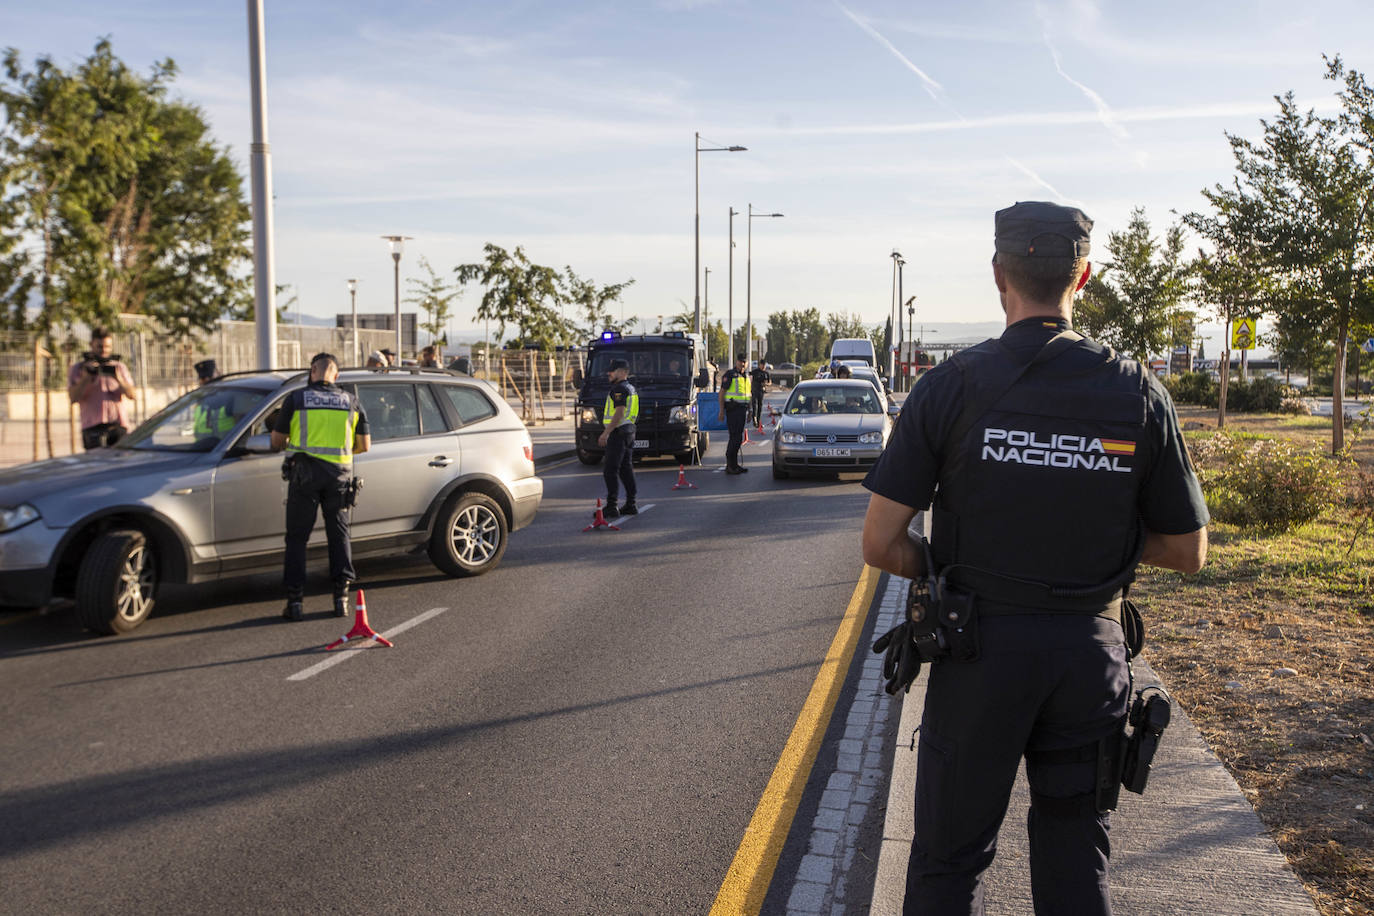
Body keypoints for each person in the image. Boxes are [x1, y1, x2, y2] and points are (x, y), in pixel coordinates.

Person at [860, 201, 1210, 915]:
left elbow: (880, 541)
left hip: (978, 651)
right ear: (1085, 274)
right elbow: (1187, 549)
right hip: (1089, 657)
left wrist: (946, 563)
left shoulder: (951, 386)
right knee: (1075, 851)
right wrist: (1093, 526)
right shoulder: (1139, 392)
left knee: (948, 865)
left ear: (999, 275)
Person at [271, 352, 371, 621]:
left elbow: (277, 440)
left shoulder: (296, 399)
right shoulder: (352, 402)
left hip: (304, 476)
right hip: (339, 477)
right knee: (339, 536)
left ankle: (295, 603)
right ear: (336, 374)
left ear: (313, 370)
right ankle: (341, 600)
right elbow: (364, 446)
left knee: (296, 539)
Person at [67, 328, 137, 450]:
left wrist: (118, 378)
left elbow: (132, 395)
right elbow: (73, 398)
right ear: (91, 345)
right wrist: (86, 377)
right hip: (92, 428)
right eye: (100, 346)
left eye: (107, 347)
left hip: (118, 426)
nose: (104, 350)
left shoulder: (119, 367)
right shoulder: (78, 369)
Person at [596, 358, 638, 518]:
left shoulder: (619, 389)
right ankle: (631, 504)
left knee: (610, 470)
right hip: (628, 432)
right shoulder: (631, 388)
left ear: (621, 372)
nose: (609, 373)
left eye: (612, 371)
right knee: (626, 469)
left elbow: (619, 412)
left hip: (618, 434)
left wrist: (606, 433)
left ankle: (612, 506)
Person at [716, 354, 751, 473]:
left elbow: (748, 395)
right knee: (734, 438)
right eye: (741, 361)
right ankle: (730, 465)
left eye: (744, 362)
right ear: (736, 362)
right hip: (733, 410)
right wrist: (721, 411)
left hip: (742, 410)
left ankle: (735, 465)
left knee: (738, 438)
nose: (743, 364)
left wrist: (750, 411)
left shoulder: (746, 376)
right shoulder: (730, 375)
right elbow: (721, 393)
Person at [191, 359, 236, 440]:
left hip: (224, 449)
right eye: (202, 378)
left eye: (209, 377)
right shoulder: (200, 400)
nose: (206, 380)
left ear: (218, 374)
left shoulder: (229, 397)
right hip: (199, 450)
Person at [748, 361, 770, 425]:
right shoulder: (755, 371)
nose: (763, 366)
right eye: (762, 365)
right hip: (754, 390)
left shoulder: (766, 373)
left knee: (760, 405)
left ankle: (758, 419)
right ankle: (754, 418)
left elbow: (769, 382)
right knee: (754, 404)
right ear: (759, 365)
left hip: (761, 391)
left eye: (764, 365)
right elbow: (749, 376)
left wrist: (766, 384)